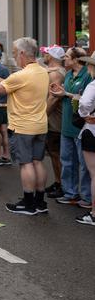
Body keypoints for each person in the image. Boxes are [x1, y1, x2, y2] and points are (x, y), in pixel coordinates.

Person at [0, 37, 50, 215]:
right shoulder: (42, 71)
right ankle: (40, 202)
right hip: (40, 124)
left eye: (16, 53)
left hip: (23, 126)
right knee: (37, 162)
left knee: (26, 164)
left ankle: (28, 202)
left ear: (24, 54)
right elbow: (10, 82)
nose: (15, 57)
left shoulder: (22, 75)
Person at [50, 47, 93, 207]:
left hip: (81, 126)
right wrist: (60, 91)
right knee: (67, 160)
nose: (64, 59)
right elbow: (67, 93)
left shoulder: (88, 76)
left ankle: (87, 197)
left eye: (67, 57)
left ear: (76, 60)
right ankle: (71, 193)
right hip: (67, 125)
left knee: (84, 165)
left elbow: (88, 100)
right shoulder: (68, 74)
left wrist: (65, 94)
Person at [42, 46, 67, 195]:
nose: (43, 55)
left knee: (56, 153)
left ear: (51, 56)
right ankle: (58, 182)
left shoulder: (56, 74)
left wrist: (42, 115)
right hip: (52, 119)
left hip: (55, 120)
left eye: (45, 53)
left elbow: (53, 98)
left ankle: (62, 185)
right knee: (53, 153)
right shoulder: (53, 72)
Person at [74, 55, 95, 225]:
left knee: (94, 174)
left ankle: (94, 213)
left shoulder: (93, 85)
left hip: (92, 131)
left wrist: (84, 114)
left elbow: (84, 105)